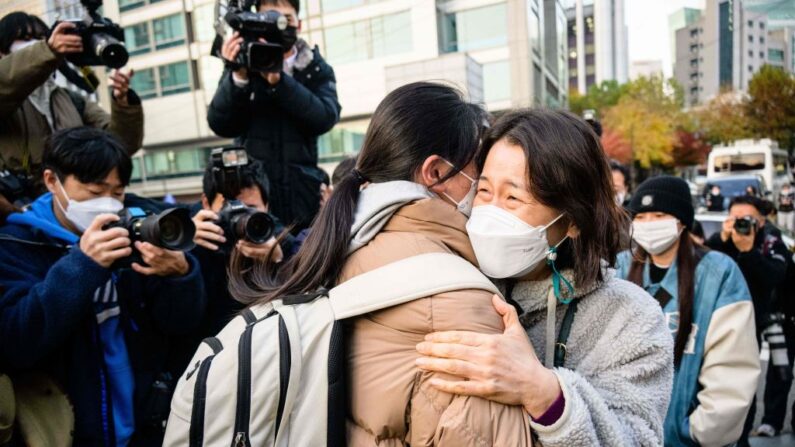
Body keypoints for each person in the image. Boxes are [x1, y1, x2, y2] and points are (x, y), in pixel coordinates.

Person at [227, 82, 534, 445]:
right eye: (477, 172)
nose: (482, 191)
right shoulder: (457, 300)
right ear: (435, 172)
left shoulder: (339, 243)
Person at [415, 109, 674, 445]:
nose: (491, 212)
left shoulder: (631, 318)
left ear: (573, 220)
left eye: (513, 197)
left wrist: (544, 393)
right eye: (484, 191)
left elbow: (639, 438)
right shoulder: (452, 284)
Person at [0, 127, 205, 446]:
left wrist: (179, 275)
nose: (108, 204)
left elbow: (180, 325)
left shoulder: (132, 232)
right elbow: (16, 343)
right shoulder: (17, 245)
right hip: (68, 430)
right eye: (95, 192)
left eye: (118, 192)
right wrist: (83, 264)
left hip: (145, 424)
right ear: (52, 181)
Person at [614, 176, 760, 446]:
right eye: (641, 217)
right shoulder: (619, 268)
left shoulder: (718, 273)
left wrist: (696, 431)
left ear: (681, 222)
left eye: (659, 215)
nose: (648, 225)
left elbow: (733, 369)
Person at [207, 0, 341, 232]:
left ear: (298, 24)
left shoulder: (315, 68)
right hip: (254, 193)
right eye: (269, 18)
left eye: (286, 19)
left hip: (303, 198)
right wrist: (237, 76)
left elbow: (325, 117)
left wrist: (280, 82)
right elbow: (220, 123)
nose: (278, 26)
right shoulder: (243, 65)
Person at [0, 12, 144, 222]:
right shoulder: (7, 96)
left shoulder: (71, 100)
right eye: (26, 39)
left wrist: (124, 104)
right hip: (15, 218)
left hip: (72, 214)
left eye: (41, 37)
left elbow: (121, 145)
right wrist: (46, 51)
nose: (37, 44)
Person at [705, 195, 789, 445]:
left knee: (746, 383)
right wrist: (722, 240)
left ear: (761, 222)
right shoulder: (719, 243)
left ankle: (744, 436)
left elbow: (775, 276)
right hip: (716, 322)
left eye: (747, 219)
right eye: (735, 218)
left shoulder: (771, 242)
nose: (740, 223)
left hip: (754, 321)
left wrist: (749, 252)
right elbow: (703, 265)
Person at [189, 158, 285, 339]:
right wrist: (185, 249)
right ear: (206, 204)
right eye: (228, 209)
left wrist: (280, 263)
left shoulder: (284, 242)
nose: (241, 219)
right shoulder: (191, 244)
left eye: (250, 209)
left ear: (267, 206)